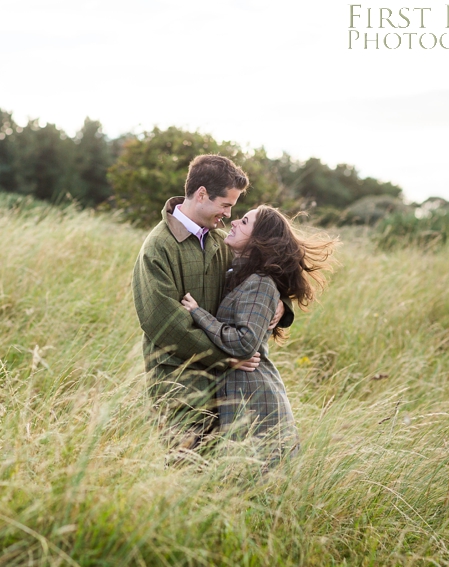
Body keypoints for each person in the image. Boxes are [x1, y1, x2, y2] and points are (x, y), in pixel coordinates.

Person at [131, 155, 292, 453]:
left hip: (226, 385)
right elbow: (164, 323)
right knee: (185, 467)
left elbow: (257, 279)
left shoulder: (222, 242)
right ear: (202, 194)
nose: (229, 215)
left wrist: (281, 304)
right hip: (178, 380)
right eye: (226, 205)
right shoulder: (158, 248)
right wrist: (227, 359)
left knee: (220, 477)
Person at [180, 205, 336, 464]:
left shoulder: (259, 281)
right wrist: (282, 301)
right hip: (236, 393)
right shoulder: (237, 271)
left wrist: (198, 313)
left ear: (258, 240)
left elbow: (244, 344)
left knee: (258, 484)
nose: (233, 223)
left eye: (244, 222)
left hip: (254, 395)